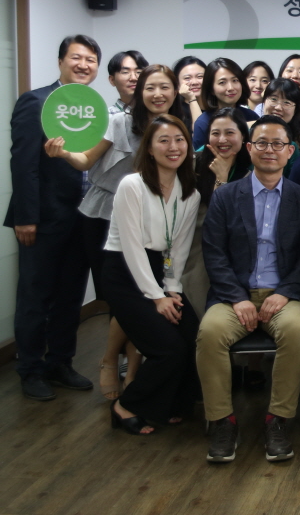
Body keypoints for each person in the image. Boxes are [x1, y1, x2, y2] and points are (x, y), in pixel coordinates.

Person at [44, 64, 182, 398]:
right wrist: (63, 153)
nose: (158, 94)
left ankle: (130, 371)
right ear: (139, 91)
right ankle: (112, 362)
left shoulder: (177, 127)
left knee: (143, 297)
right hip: (104, 215)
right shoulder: (120, 122)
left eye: (165, 87)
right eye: (150, 88)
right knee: (121, 296)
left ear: (175, 91)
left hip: (150, 218)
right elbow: (86, 161)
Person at [197, 115, 300, 463]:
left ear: (290, 151)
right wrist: (237, 298)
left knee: (295, 331)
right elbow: (214, 253)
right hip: (233, 296)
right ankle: (222, 421)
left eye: (278, 144)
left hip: (284, 295)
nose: (269, 150)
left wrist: (285, 292)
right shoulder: (225, 196)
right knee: (209, 333)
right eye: (262, 143)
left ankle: (277, 420)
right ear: (249, 148)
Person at [5, 34, 100, 401]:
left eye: (90, 59)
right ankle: (30, 368)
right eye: (77, 57)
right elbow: (23, 164)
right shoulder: (36, 102)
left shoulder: (94, 108)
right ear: (61, 61)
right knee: (35, 295)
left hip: (82, 218)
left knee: (70, 295)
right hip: (42, 220)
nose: (83, 65)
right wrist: (25, 217)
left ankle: (60, 362)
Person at [101, 115, 201, 434]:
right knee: (167, 347)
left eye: (180, 140)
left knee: (192, 334)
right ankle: (126, 405)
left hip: (160, 270)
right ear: (149, 148)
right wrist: (157, 297)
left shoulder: (190, 193)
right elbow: (132, 247)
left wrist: (171, 288)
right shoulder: (132, 185)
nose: (173, 147)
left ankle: (169, 403)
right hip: (124, 272)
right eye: (164, 140)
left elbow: (178, 247)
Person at [184, 107, 254, 317]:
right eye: (215, 133)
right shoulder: (193, 164)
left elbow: (228, 222)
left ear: (243, 137)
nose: (222, 139)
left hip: (235, 249)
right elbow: (211, 223)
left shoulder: (250, 172)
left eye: (230, 133)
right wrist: (220, 179)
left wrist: (222, 179)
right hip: (194, 245)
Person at [192, 58, 258, 150]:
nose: (230, 88)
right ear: (211, 89)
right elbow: (199, 157)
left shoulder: (251, 116)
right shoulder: (203, 123)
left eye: (235, 80)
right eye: (222, 82)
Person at [259, 78, 300, 164]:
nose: (278, 107)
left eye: (287, 103)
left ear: (296, 110)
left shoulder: (293, 146)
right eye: (273, 99)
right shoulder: (248, 132)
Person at [106, 50, 149, 114]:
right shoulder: (106, 116)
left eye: (139, 72)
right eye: (125, 72)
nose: (133, 78)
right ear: (112, 80)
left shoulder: (157, 113)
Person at [173, 56, 206, 129]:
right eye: (187, 78)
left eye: (200, 76)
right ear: (177, 83)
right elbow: (199, 132)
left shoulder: (216, 107)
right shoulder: (174, 110)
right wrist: (191, 99)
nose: (194, 82)